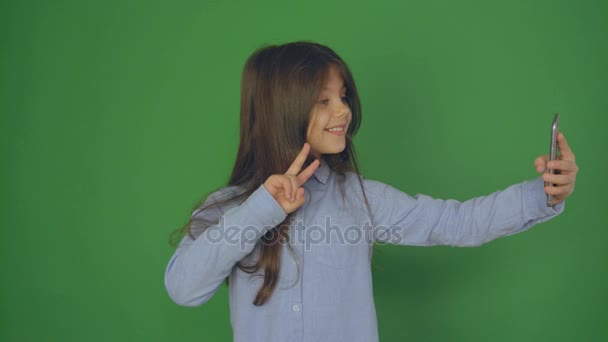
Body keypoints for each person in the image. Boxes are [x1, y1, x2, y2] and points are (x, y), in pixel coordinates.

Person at [164, 41, 578, 342]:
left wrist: (544, 194)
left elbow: (456, 222)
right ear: (281, 111)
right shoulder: (229, 208)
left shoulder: (359, 199)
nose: (343, 110)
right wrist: (261, 210)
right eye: (323, 101)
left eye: (342, 97)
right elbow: (184, 289)